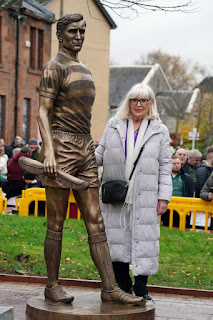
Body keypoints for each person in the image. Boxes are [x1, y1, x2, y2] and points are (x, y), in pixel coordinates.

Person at [36, 12, 142, 305]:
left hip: (84, 148)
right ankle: (52, 285)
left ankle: (110, 288)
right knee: (56, 222)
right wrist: (48, 150)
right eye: (73, 32)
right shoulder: (53, 67)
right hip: (60, 146)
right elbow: (43, 110)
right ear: (60, 35)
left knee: (95, 220)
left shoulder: (83, 67)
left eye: (82, 31)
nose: (79, 36)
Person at [95, 83, 172, 300]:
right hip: (116, 194)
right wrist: (80, 157)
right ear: (128, 102)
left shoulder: (159, 129)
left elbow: (165, 166)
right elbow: (99, 154)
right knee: (116, 240)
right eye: (134, 100)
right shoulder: (114, 124)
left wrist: (163, 197)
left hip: (146, 195)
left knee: (145, 240)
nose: (138, 105)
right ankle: (122, 284)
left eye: (143, 100)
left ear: (150, 104)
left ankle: (141, 288)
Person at [162, 155, 194, 227]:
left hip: (181, 208)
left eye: (178, 163)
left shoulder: (186, 177)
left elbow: (190, 193)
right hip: (166, 206)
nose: (176, 165)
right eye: (174, 164)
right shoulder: (164, 176)